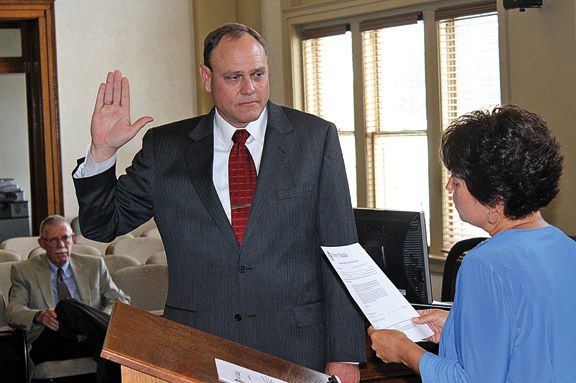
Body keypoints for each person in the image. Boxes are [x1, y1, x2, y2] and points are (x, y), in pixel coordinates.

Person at [72, 23, 365, 382]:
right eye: (233, 77)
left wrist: (346, 355)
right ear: (206, 78)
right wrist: (102, 153)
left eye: (258, 74)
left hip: (298, 347)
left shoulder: (315, 139)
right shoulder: (167, 148)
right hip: (198, 348)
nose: (250, 89)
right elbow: (101, 225)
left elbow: (341, 252)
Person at [368, 105, 576, 381]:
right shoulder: (566, 248)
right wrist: (456, 328)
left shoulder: (486, 263)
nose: (449, 188)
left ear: (494, 197)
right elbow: (534, 341)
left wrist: (404, 351)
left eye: (456, 180)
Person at [6, 215, 129, 382]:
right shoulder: (24, 271)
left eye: (65, 238)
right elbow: (13, 311)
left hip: (89, 339)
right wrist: (39, 316)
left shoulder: (93, 265)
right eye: (53, 240)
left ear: (72, 238)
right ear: (42, 244)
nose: (61, 245)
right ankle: (124, 336)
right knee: (66, 308)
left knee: (107, 348)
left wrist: (101, 319)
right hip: (51, 341)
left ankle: (110, 334)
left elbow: (119, 299)